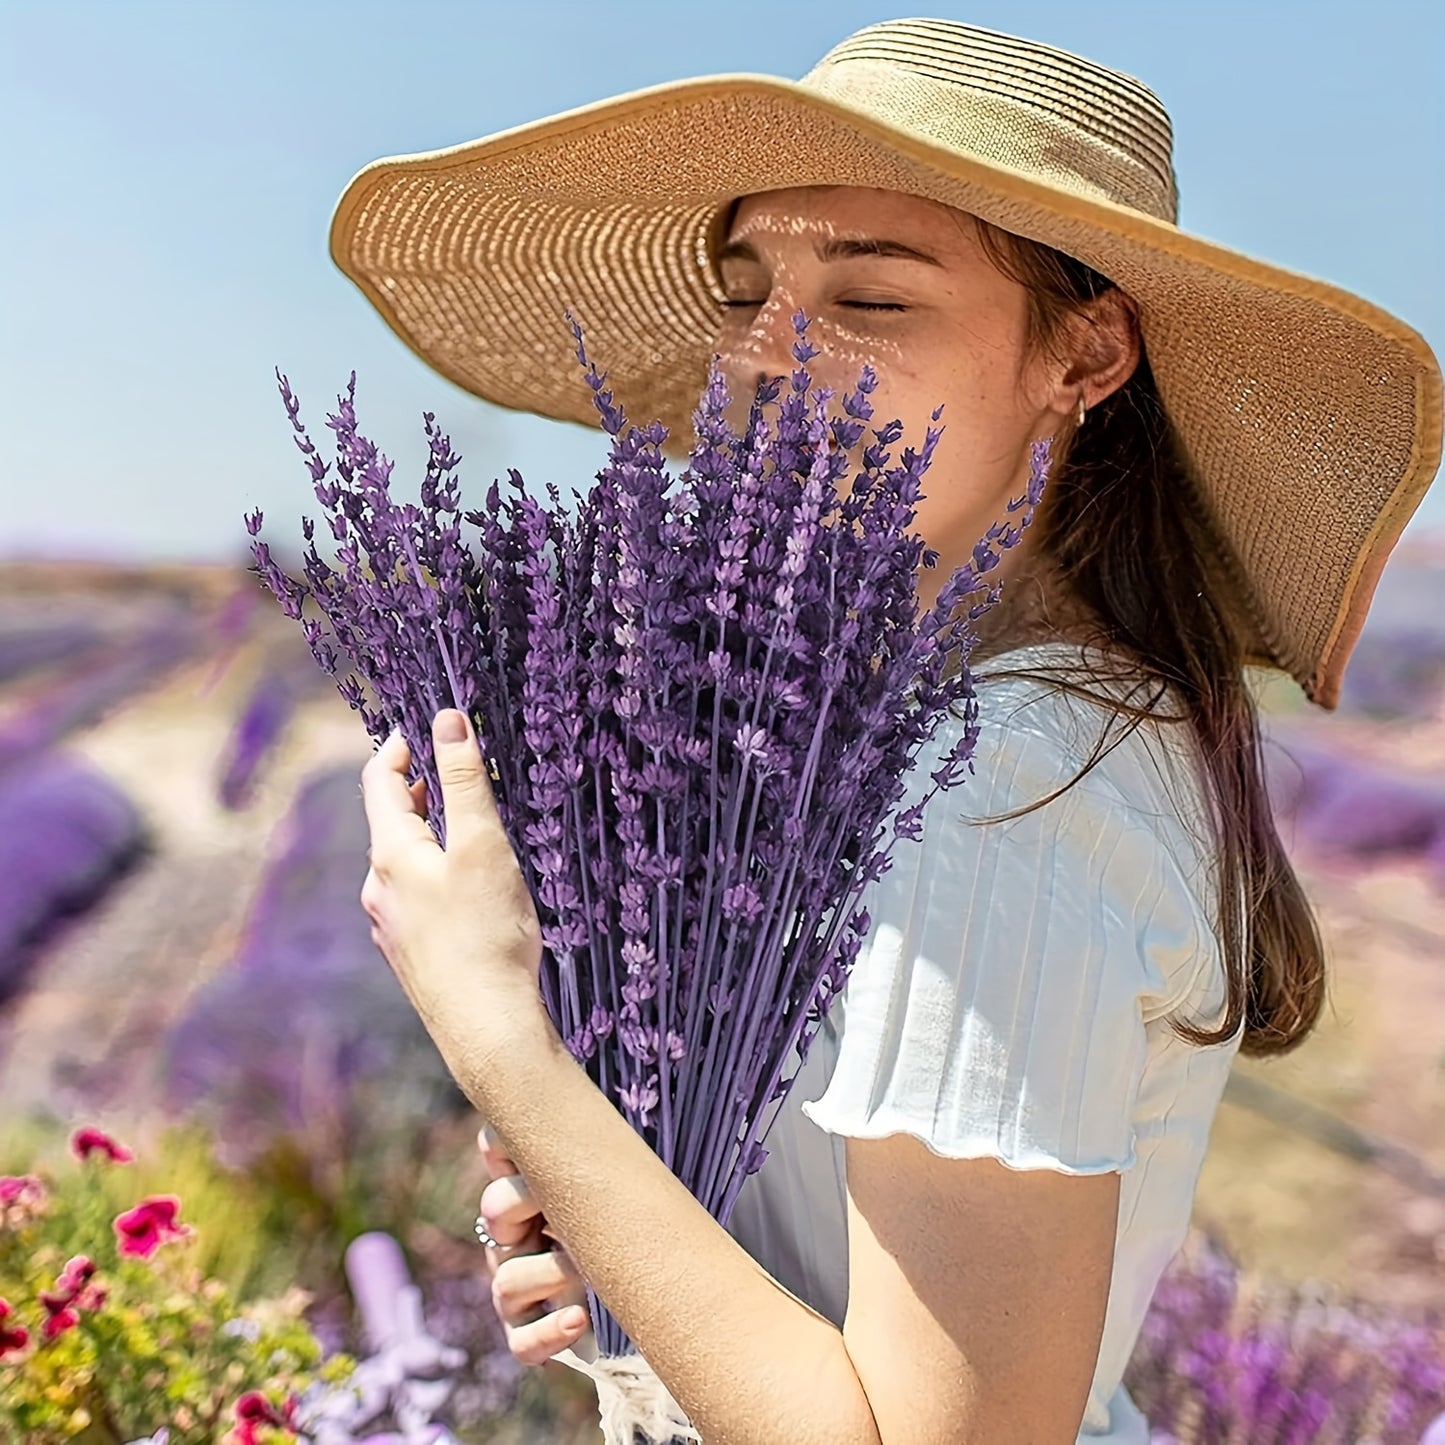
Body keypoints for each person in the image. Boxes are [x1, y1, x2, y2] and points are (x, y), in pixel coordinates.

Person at [347, 17, 1443, 1443]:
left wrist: (498, 1036)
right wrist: (629, 1232)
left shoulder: (1001, 781)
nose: (766, 358)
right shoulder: (919, 731)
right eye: (746, 292)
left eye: (868, 300)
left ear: (1085, 354)